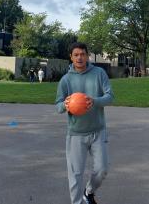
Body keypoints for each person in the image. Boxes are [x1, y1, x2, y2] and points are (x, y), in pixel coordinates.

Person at [56, 42, 114, 204]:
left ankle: (88, 192)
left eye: (82, 54)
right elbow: (58, 106)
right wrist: (65, 105)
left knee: (102, 170)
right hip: (76, 134)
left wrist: (94, 101)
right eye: (76, 55)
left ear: (87, 56)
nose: (79, 57)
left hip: (98, 131)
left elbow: (110, 97)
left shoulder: (99, 73)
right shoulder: (65, 80)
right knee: (75, 175)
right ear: (71, 57)